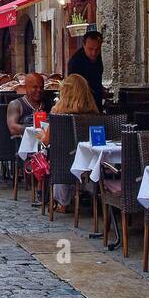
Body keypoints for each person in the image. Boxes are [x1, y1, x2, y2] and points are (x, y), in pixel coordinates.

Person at [43, 74, 100, 211]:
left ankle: (61, 201)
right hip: (87, 162)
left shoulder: (57, 114)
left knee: (53, 154)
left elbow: (46, 140)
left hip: (64, 161)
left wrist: (40, 135)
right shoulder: (93, 113)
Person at [66, 27, 106, 111]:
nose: (94, 53)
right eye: (90, 49)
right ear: (84, 45)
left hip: (97, 101)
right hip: (82, 104)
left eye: (97, 49)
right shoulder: (75, 62)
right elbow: (75, 89)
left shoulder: (98, 57)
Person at [7, 73, 45, 138]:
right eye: (35, 87)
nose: (39, 90)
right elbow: (13, 128)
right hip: (24, 145)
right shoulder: (16, 104)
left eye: (41, 87)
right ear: (25, 87)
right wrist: (35, 130)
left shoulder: (47, 103)